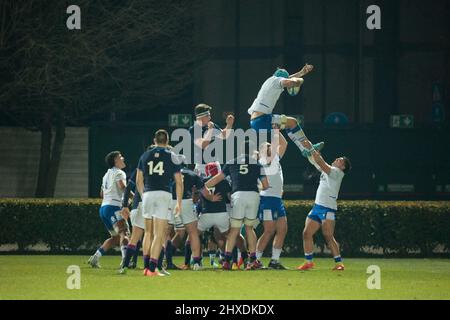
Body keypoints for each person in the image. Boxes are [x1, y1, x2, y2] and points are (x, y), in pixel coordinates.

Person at [205, 142, 269, 270]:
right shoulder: (257, 164)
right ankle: (253, 260)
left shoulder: (231, 162)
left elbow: (217, 179)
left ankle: (227, 261)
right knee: (249, 228)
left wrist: (204, 185)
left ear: (240, 150)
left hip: (238, 195)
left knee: (234, 230)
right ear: (252, 151)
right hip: (253, 196)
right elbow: (265, 185)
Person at [247, 64, 324, 167]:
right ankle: (307, 148)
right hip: (263, 119)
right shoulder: (277, 80)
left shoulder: (271, 80)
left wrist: (301, 73)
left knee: (288, 126)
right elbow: (289, 82)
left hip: (258, 120)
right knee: (293, 122)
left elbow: (288, 79)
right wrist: (299, 81)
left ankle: (304, 149)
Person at [136, 129, 183, 277]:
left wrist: (144, 196)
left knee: (148, 233)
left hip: (148, 194)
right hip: (163, 194)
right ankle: (152, 268)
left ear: (154, 140)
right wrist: (179, 203)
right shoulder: (172, 156)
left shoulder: (145, 155)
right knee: (159, 233)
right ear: (167, 141)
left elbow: (138, 181)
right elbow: (179, 182)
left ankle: (145, 267)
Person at [297, 150, 352, 271]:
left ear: (342, 167)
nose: (337, 159)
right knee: (306, 233)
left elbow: (322, 164)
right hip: (317, 207)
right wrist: (311, 155)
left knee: (328, 236)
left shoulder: (338, 173)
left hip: (328, 208)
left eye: (340, 160)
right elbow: (317, 163)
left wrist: (313, 151)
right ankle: (308, 262)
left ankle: (339, 263)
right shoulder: (329, 170)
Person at [88, 151, 129, 268]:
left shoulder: (106, 175)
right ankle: (125, 261)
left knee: (115, 238)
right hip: (114, 207)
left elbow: (101, 193)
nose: (123, 158)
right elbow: (122, 187)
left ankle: (95, 258)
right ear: (116, 161)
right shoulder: (120, 172)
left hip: (104, 208)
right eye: (120, 157)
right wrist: (135, 196)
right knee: (124, 233)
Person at [255, 130, 289, 269]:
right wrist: (274, 129)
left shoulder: (275, 158)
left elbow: (284, 143)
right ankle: (255, 260)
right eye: (266, 146)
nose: (270, 147)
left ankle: (274, 261)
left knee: (282, 229)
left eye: (270, 145)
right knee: (269, 231)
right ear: (262, 151)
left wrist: (277, 130)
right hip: (267, 199)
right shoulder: (262, 162)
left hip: (277, 200)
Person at [188, 103, 234, 177]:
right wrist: (210, 130)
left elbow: (224, 136)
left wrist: (229, 125)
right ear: (200, 117)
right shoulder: (194, 129)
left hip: (215, 163)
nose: (209, 117)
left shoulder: (211, 125)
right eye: (207, 115)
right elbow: (203, 145)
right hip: (202, 166)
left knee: (218, 186)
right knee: (201, 187)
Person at [118, 168, 144, 274]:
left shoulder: (141, 167)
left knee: (136, 237)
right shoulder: (161, 166)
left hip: (136, 206)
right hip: (146, 206)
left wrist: (125, 205)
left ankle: (127, 264)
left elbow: (129, 187)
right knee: (151, 236)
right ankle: (153, 266)